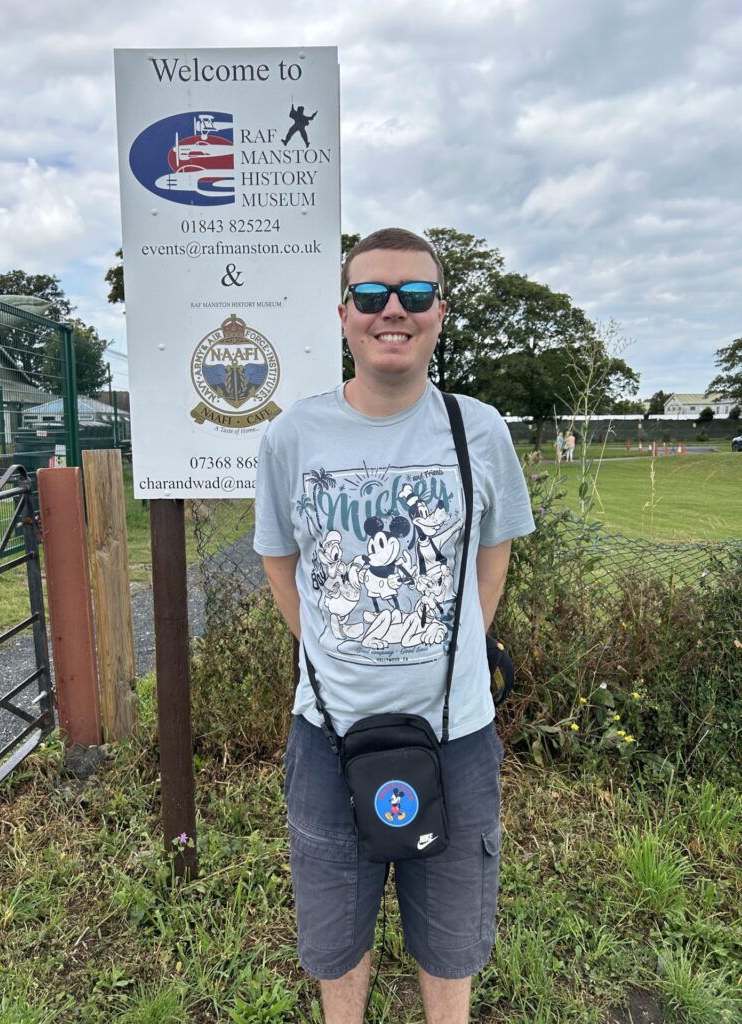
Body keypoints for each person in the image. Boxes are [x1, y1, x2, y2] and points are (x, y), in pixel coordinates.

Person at [253, 228, 535, 1024]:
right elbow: (279, 559)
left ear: (440, 311)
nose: (393, 311)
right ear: (344, 312)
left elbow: (493, 557)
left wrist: (455, 649)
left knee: (451, 935)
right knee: (333, 934)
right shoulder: (293, 436)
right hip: (328, 735)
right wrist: (330, 650)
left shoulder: (479, 431)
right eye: (372, 294)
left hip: (456, 736)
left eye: (414, 294)